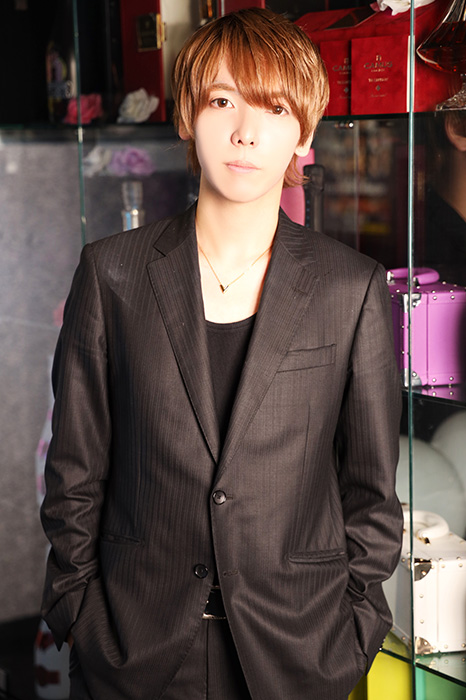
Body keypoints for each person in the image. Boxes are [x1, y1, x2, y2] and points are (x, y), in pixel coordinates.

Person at [40, 8, 403, 700]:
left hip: (297, 654)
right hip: (135, 653)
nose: (246, 131)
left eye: (274, 108)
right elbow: (75, 474)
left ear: (304, 132)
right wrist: (78, 614)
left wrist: (353, 634)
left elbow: (372, 493)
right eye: (222, 101)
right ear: (186, 116)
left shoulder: (349, 287)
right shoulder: (112, 273)